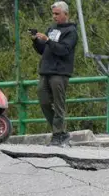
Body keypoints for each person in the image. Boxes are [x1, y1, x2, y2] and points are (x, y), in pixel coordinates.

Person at [31, 1, 76, 146]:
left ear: (66, 14)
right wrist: (36, 41)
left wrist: (48, 40)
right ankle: (61, 133)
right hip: (46, 71)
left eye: (57, 14)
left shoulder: (71, 31)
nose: (54, 16)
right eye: (53, 14)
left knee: (58, 105)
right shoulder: (51, 29)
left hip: (60, 73)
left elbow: (63, 50)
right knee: (43, 101)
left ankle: (57, 135)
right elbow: (43, 50)